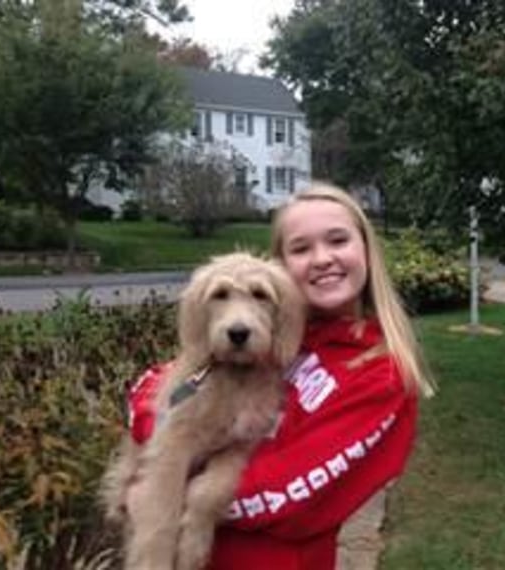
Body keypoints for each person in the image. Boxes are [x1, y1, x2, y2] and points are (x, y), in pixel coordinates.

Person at [124, 182, 435, 569]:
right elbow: (154, 386)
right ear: (283, 266)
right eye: (301, 248)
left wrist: (174, 492)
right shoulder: (275, 335)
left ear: (367, 250)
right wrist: (162, 446)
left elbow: (290, 495)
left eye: (338, 240)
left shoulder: (378, 374)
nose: (322, 258)